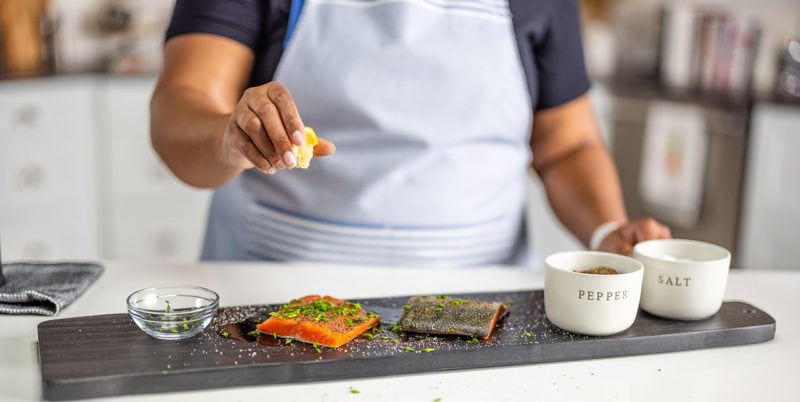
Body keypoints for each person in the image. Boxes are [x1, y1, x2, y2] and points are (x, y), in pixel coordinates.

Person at [150, 0, 671, 267]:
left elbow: (567, 143)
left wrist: (607, 233)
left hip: (481, 308)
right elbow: (182, 104)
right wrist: (230, 137)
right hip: (272, 299)